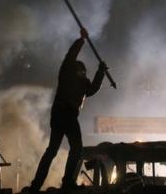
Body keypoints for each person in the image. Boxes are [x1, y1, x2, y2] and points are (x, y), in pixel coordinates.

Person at [28, 28, 107, 193]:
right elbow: (71, 55)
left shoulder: (83, 82)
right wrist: (81, 40)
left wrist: (101, 72)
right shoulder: (66, 72)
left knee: (56, 150)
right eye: (81, 72)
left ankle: (43, 185)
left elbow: (92, 90)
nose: (83, 75)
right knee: (70, 149)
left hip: (64, 115)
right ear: (75, 70)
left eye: (84, 73)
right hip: (64, 114)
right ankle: (62, 183)